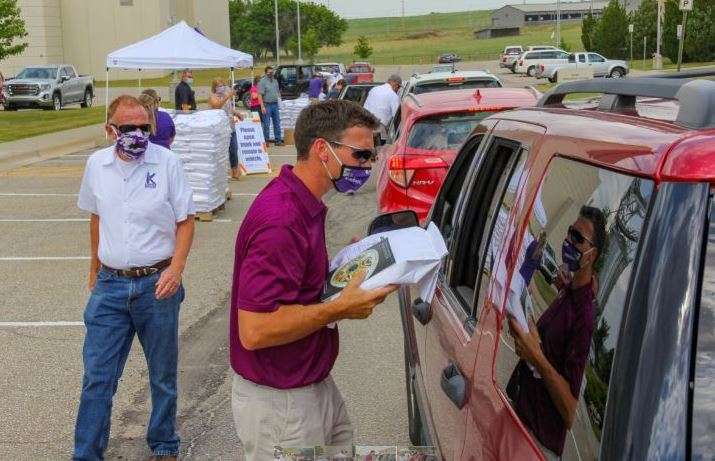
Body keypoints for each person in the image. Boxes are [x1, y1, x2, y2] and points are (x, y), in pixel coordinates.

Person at [229, 100, 397, 461]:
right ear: (323, 149)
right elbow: (254, 330)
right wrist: (339, 308)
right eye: (361, 155)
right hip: (283, 404)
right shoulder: (282, 219)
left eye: (371, 156)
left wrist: (346, 269)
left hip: (311, 384)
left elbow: (298, 287)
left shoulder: (303, 203)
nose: (367, 166)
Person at [73, 95, 195, 461]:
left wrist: (176, 269)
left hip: (156, 284)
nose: (138, 134)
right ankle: (86, 453)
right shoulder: (97, 165)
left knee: (162, 375)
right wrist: (94, 267)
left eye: (144, 127)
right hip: (110, 286)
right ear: (110, 129)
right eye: (128, 128)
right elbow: (96, 217)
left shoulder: (167, 163)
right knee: (98, 377)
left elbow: (185, 221)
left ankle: (163, 441)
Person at [506, 206, 607, 459]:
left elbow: (571, 411)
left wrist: (535, 356)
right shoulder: (568, 291)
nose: (569, 241)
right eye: (570, 232)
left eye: (578, 238)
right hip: (519, 413)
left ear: (593, 255)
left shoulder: (584, 317)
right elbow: (547, 347)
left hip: (535, 442)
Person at [209, 77, 243, 180]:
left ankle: (235, 171)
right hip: (221, 129)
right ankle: (222, 171)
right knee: (223, 151)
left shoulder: (226, 96)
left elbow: (229, 108)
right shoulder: (213, 96)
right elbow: (217, 106)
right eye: (219, 86)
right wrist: (228, 95)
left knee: (234, 149)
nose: (221, 87)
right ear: (214, 87)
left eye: (222, 85)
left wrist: (237, 113)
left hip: (231, 126)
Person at [258, 65, 284, 145]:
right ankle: (266, 140)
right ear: (266, 73)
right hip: (267, 105)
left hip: (275, 104)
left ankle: (278, 140)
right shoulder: (262, 82)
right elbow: (260, 95)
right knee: (266, 123)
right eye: (269, 73)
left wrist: (280, 101)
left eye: (272, 72)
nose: (271, 74)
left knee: (277, 123)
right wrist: (262, 106)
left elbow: (278, 92)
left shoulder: (275, 81)